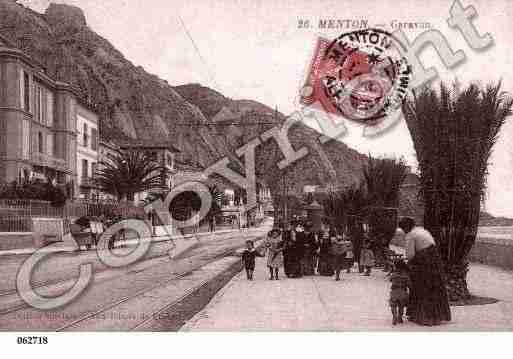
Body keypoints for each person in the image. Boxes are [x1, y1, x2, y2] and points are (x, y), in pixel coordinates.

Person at [398, 217, 451, 326]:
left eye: (403, 229)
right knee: (435, 287)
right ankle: (437, 316)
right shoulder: (422, 230)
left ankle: (423, 316)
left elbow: (410, 255)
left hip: (424, 263)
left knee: (421, 287)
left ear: (405, 227)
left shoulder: (410, 235)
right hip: (434, 261)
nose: (403, 231)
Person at [389, 259, 410, 325]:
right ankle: (400, 317)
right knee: (401, 306)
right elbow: (409, 284)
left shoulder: (394, 274)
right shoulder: (406, 275)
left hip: (394, 292)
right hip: (403, 292)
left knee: (393, 305)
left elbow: (390, 280)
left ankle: (394, 316)